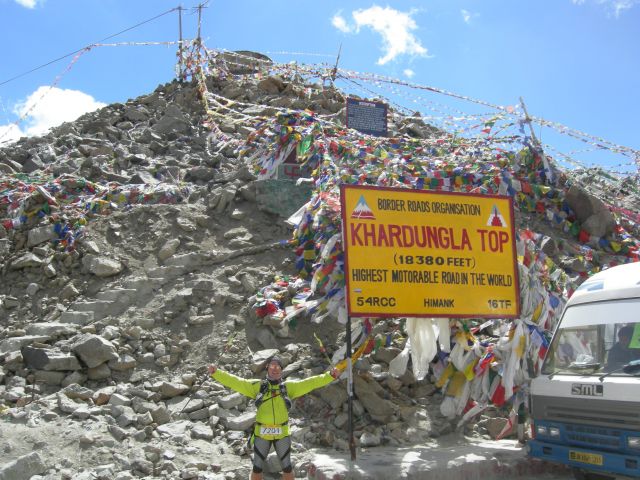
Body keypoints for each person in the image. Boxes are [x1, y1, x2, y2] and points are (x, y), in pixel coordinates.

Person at [208, 357, 341, 480]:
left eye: (278, 367)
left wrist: (330, 376)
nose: (275, 369)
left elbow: (311, 383)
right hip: (262, 433)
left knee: (287, 467)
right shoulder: (258, 386)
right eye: (272, 366)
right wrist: (216, 373)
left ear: (281, 370)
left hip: (281, 433)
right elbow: (236, 382)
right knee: (257, 467)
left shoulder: (288, 387)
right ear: (267, 368)